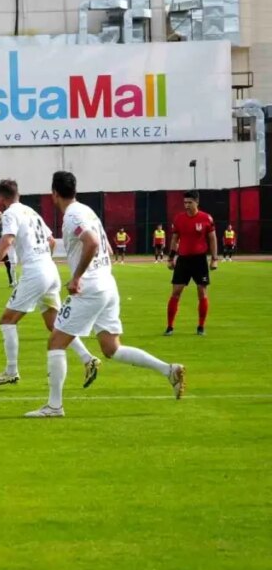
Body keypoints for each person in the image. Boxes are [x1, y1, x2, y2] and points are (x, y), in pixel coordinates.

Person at [25, 172, 184, 418]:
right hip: (107, 284)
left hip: (90, 287)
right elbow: (107, 248)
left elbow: (92, 243)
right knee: (111, 348)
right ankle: (168, 370)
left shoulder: (72, 215)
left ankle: (54, 406)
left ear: (54, 193)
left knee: (56, 342)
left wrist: (77, 277)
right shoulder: (88, 211)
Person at [0, 179, 100, 387]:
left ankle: (11, 371)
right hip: (50, 270)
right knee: (54, 324)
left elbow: (7, 240)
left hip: (36, 272)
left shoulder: (9, 214)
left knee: (7, 320)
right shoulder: (32, 212)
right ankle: (88, 359)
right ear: (18, 194)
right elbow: (51, 241)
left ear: (0, 198)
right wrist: (43, 260)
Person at [166, 190, 218, 336]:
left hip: (199, 260)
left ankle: (201, 327)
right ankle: (170, 327)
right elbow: (175, 239)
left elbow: (212, 239)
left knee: (202, 292)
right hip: (183, 260)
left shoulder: (206, 218)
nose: (187, 205)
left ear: (197, 202)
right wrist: (171, 258)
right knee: (176, 292)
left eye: (190, 202)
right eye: (185, 203)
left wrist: (214, 259)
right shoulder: (179, 219)